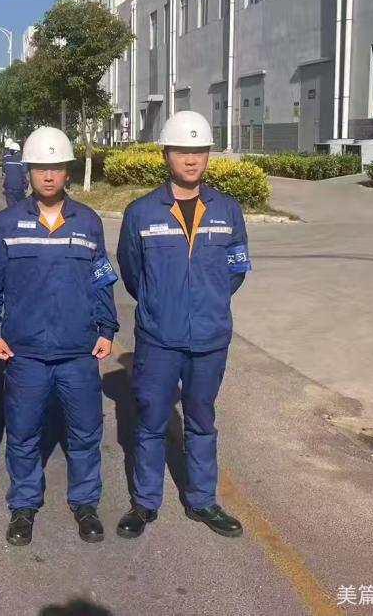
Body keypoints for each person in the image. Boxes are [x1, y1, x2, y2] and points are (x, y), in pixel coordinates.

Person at [115, 111, 251, 540]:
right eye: (181, 151)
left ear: (208, 155)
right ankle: (145, 502)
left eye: (198, 151)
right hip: (158, 339)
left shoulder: (227, 210)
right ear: (166, 155)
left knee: (201, 419)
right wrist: (162, 303)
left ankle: (203, 500)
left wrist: (207, 301)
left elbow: (236, 268)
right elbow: (132, 273)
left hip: (209, 338)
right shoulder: (141, 213)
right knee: (151, 419)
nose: (191, 160)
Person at [0, 126, 119, 546]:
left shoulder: (88, 221)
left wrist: (107, 327)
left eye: (55, 167)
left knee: (85, 432)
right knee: (23, 434)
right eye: (40, 167)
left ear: (66, 172)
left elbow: (101, 277)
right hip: (25, 353)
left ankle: (85, 503)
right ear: (28, 172)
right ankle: (24, 506)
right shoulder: (6, 223)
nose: (47, 175)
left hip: (78, 350)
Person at [1, 139, 28, 207]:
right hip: (19, 188)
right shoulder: (22, 160)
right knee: (21, 207)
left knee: (11, 208)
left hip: (9, 188)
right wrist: (26, 186)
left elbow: (4, 171)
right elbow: (24, 173)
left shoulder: (7, 160)